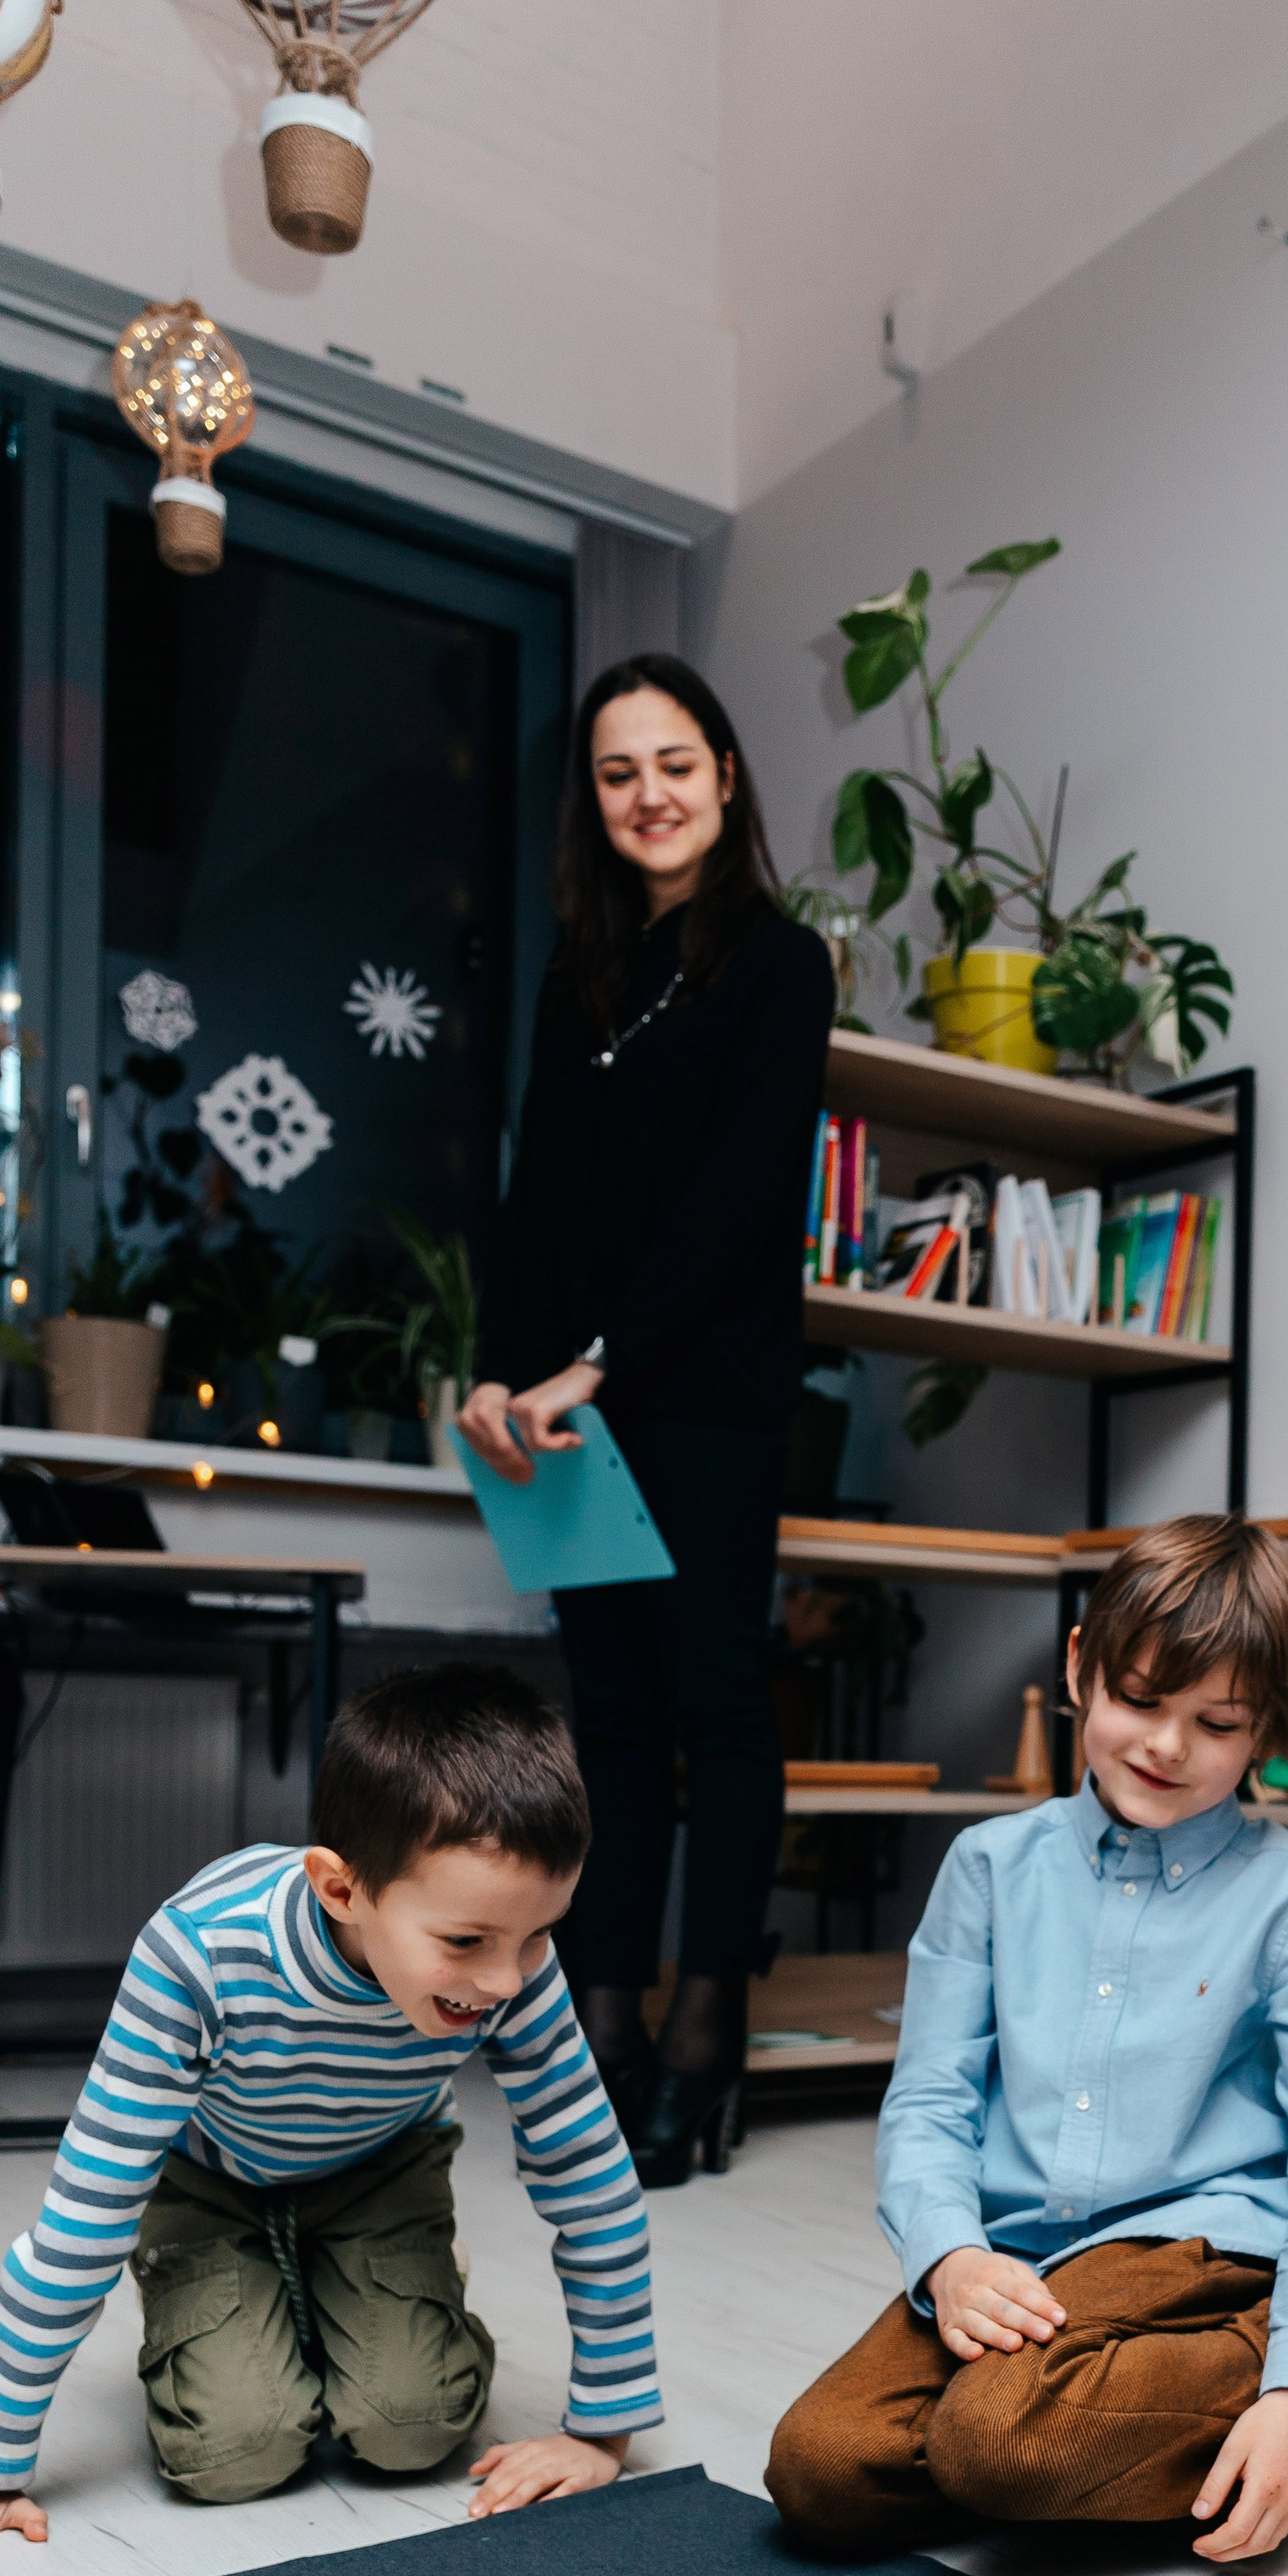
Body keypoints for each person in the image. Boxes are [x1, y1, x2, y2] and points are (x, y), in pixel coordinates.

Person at [768, 1515, 1288, 2561]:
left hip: (1205, 2243)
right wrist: (952, 2257)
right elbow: (928, 2100)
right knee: (820, 2470)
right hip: (1022, 2255)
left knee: (995, 2441)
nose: (1164, 1746)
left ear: (1266, 1728)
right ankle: (1076, 2436)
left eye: (1216, 1723)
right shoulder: (985, 1866)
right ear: (1079, 1667)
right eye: (1139, 1700)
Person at [0, 1664, 659, 2571]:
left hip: (381, 2167)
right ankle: (261, 2292)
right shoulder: (197, 1953)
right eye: (466, 1943)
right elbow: (83, 2222)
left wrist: (603, 2434)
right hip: (208, 2181)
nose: (507, 1981)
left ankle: (376, 2283)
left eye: (541, 1932)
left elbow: (590, 2179)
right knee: (233, 2451)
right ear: (340, 1889)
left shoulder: (513, 1969)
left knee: (411, 2427)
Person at [462, 655, 836, 2189]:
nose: (650, 795)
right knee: (604, 1725)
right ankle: (600, 2033)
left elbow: (742, 1194)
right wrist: (503, 1364)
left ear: (727, 774)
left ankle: (704, 2043)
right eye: (618, 773)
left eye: (674, 761)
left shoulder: (778, 962)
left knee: (713, 1714)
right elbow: (536, 1198)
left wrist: (602, 1358)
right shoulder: (580, 979)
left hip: (707, 1395)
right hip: (567, 1409)